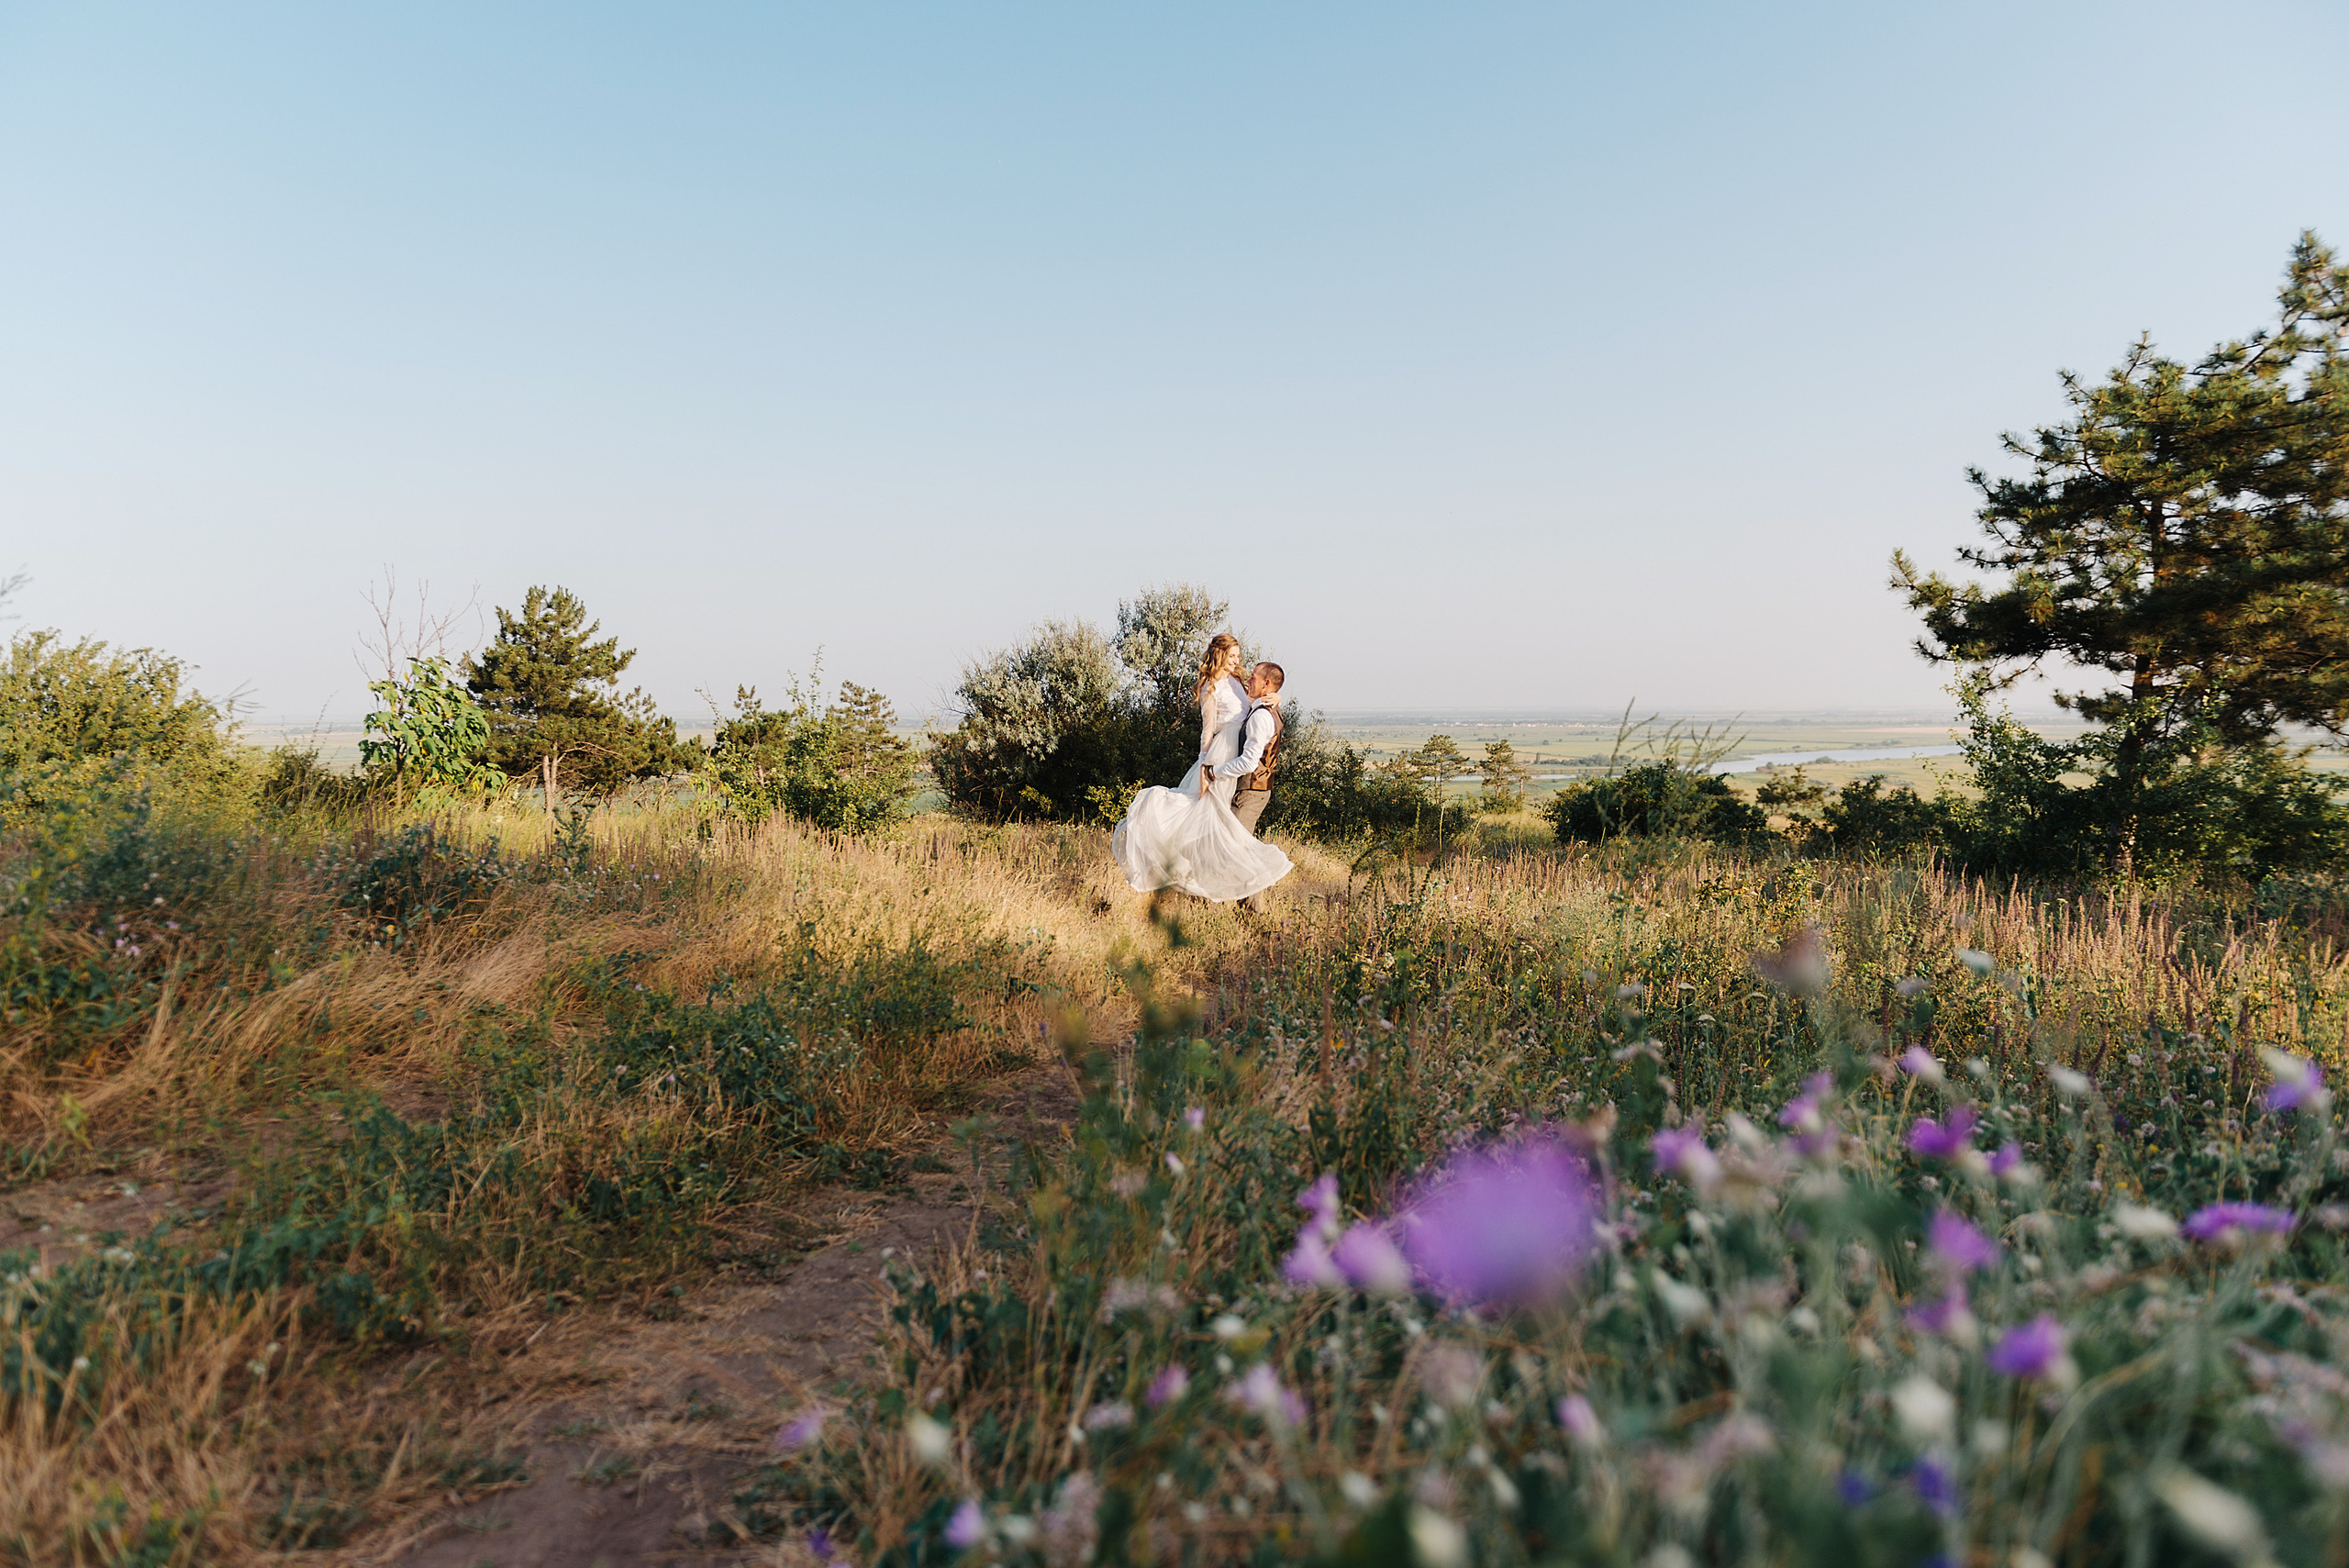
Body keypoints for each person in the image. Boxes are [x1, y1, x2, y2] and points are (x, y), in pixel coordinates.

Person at [1109, 636, 1293, 906]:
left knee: (1222, 827)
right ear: (1219, 655)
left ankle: (1209, 890)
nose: (1237, 662)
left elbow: (1257, 708)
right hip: (1223, 754)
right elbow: (1207, 731)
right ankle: (1188, 878)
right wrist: (1206, 768)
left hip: (1237, 759)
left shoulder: (1240, 683)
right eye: (1232, 657)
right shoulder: (1210, 686)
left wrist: (1275, 697)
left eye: (1239, 657)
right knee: (1204, 818)